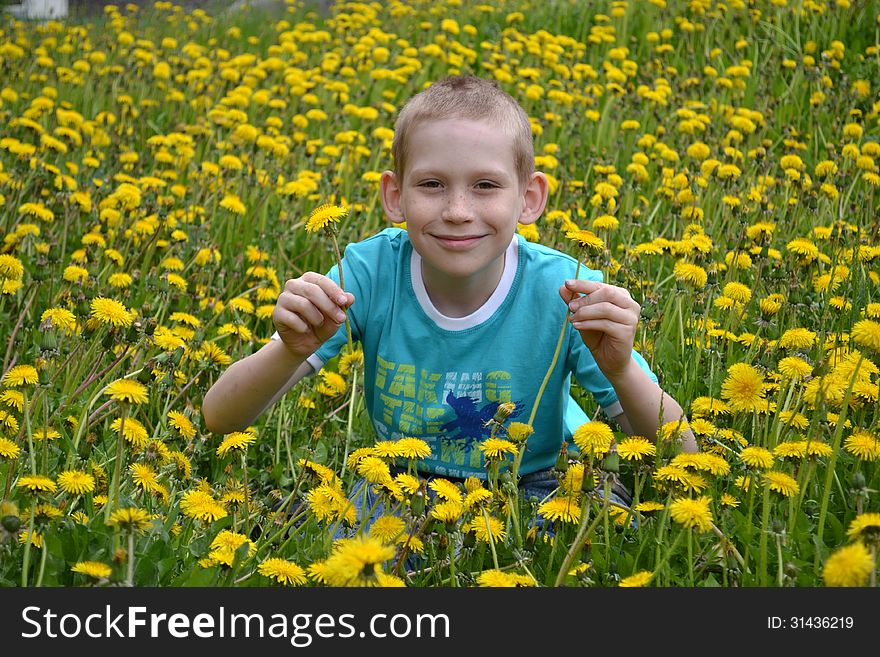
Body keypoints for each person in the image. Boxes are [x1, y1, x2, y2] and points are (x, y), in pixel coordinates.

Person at [202, 76, 697, 511]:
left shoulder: (564, 291)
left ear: (529, 198)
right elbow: (220, 417)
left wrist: (620, 369)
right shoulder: (369, 274)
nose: (458, 210)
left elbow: (683, 458)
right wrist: (289, 350)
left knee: (592, 534)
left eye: (485, 185)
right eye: (433, 184)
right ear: (394, 196)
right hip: (402, 481)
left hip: (536, 477)